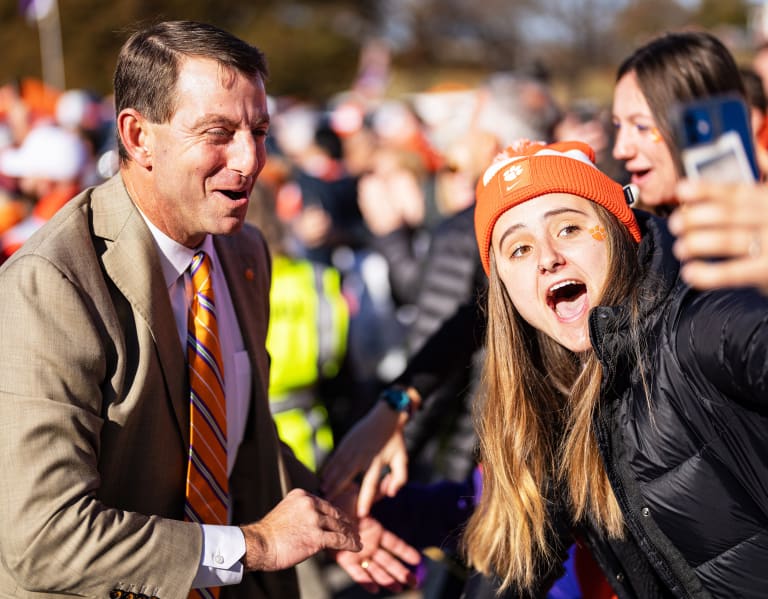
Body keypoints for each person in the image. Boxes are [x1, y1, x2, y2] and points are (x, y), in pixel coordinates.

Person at [0, 20, 420, 599]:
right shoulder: (49, 286)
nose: (249, 159)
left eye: (260, 130)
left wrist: (329, 519)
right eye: (218, 131)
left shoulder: (244, 252)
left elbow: (238, 439)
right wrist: (256, 545)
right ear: (138, 137)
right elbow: (43, 537)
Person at [463, 138, 768, 597]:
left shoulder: (695, 322)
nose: (548, 258)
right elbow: (510, 568)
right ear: (503, 284)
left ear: (617, 229)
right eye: (519, 249)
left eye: (568, 229)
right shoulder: (547, 398)